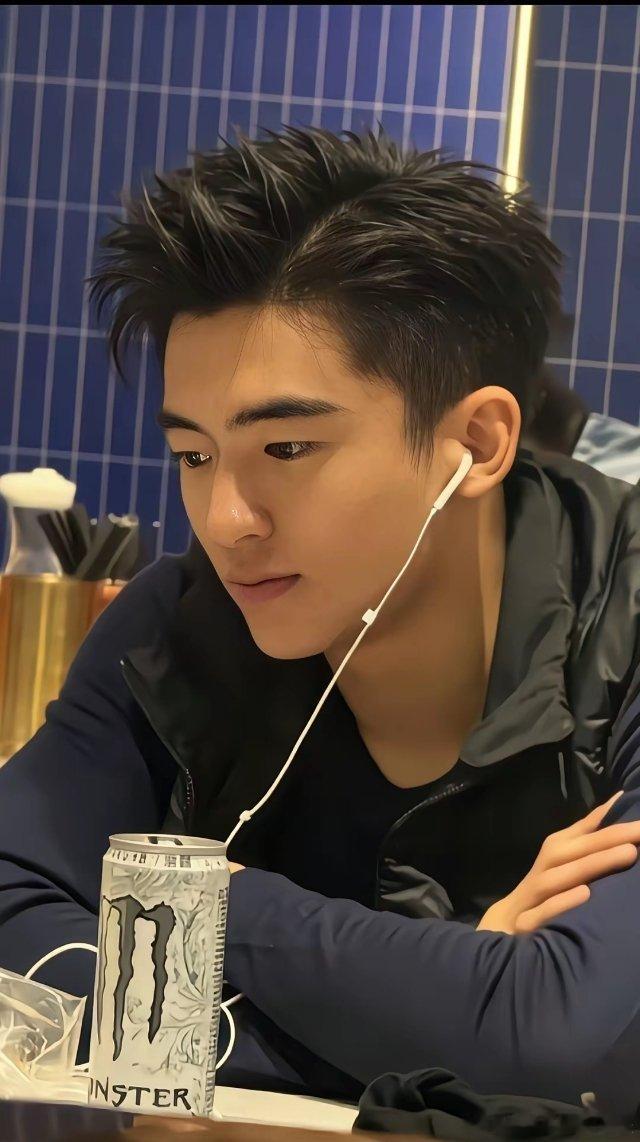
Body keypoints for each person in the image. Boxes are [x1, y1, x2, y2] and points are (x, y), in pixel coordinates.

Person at [2, 126, 640, 1122]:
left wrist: (207, 897)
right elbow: (12, 924)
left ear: (475, 442)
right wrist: (450, 987)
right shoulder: (176, 630)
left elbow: (580, 1043)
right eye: (195, 455)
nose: (226, 522)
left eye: (287, 448)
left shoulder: (624, 618)